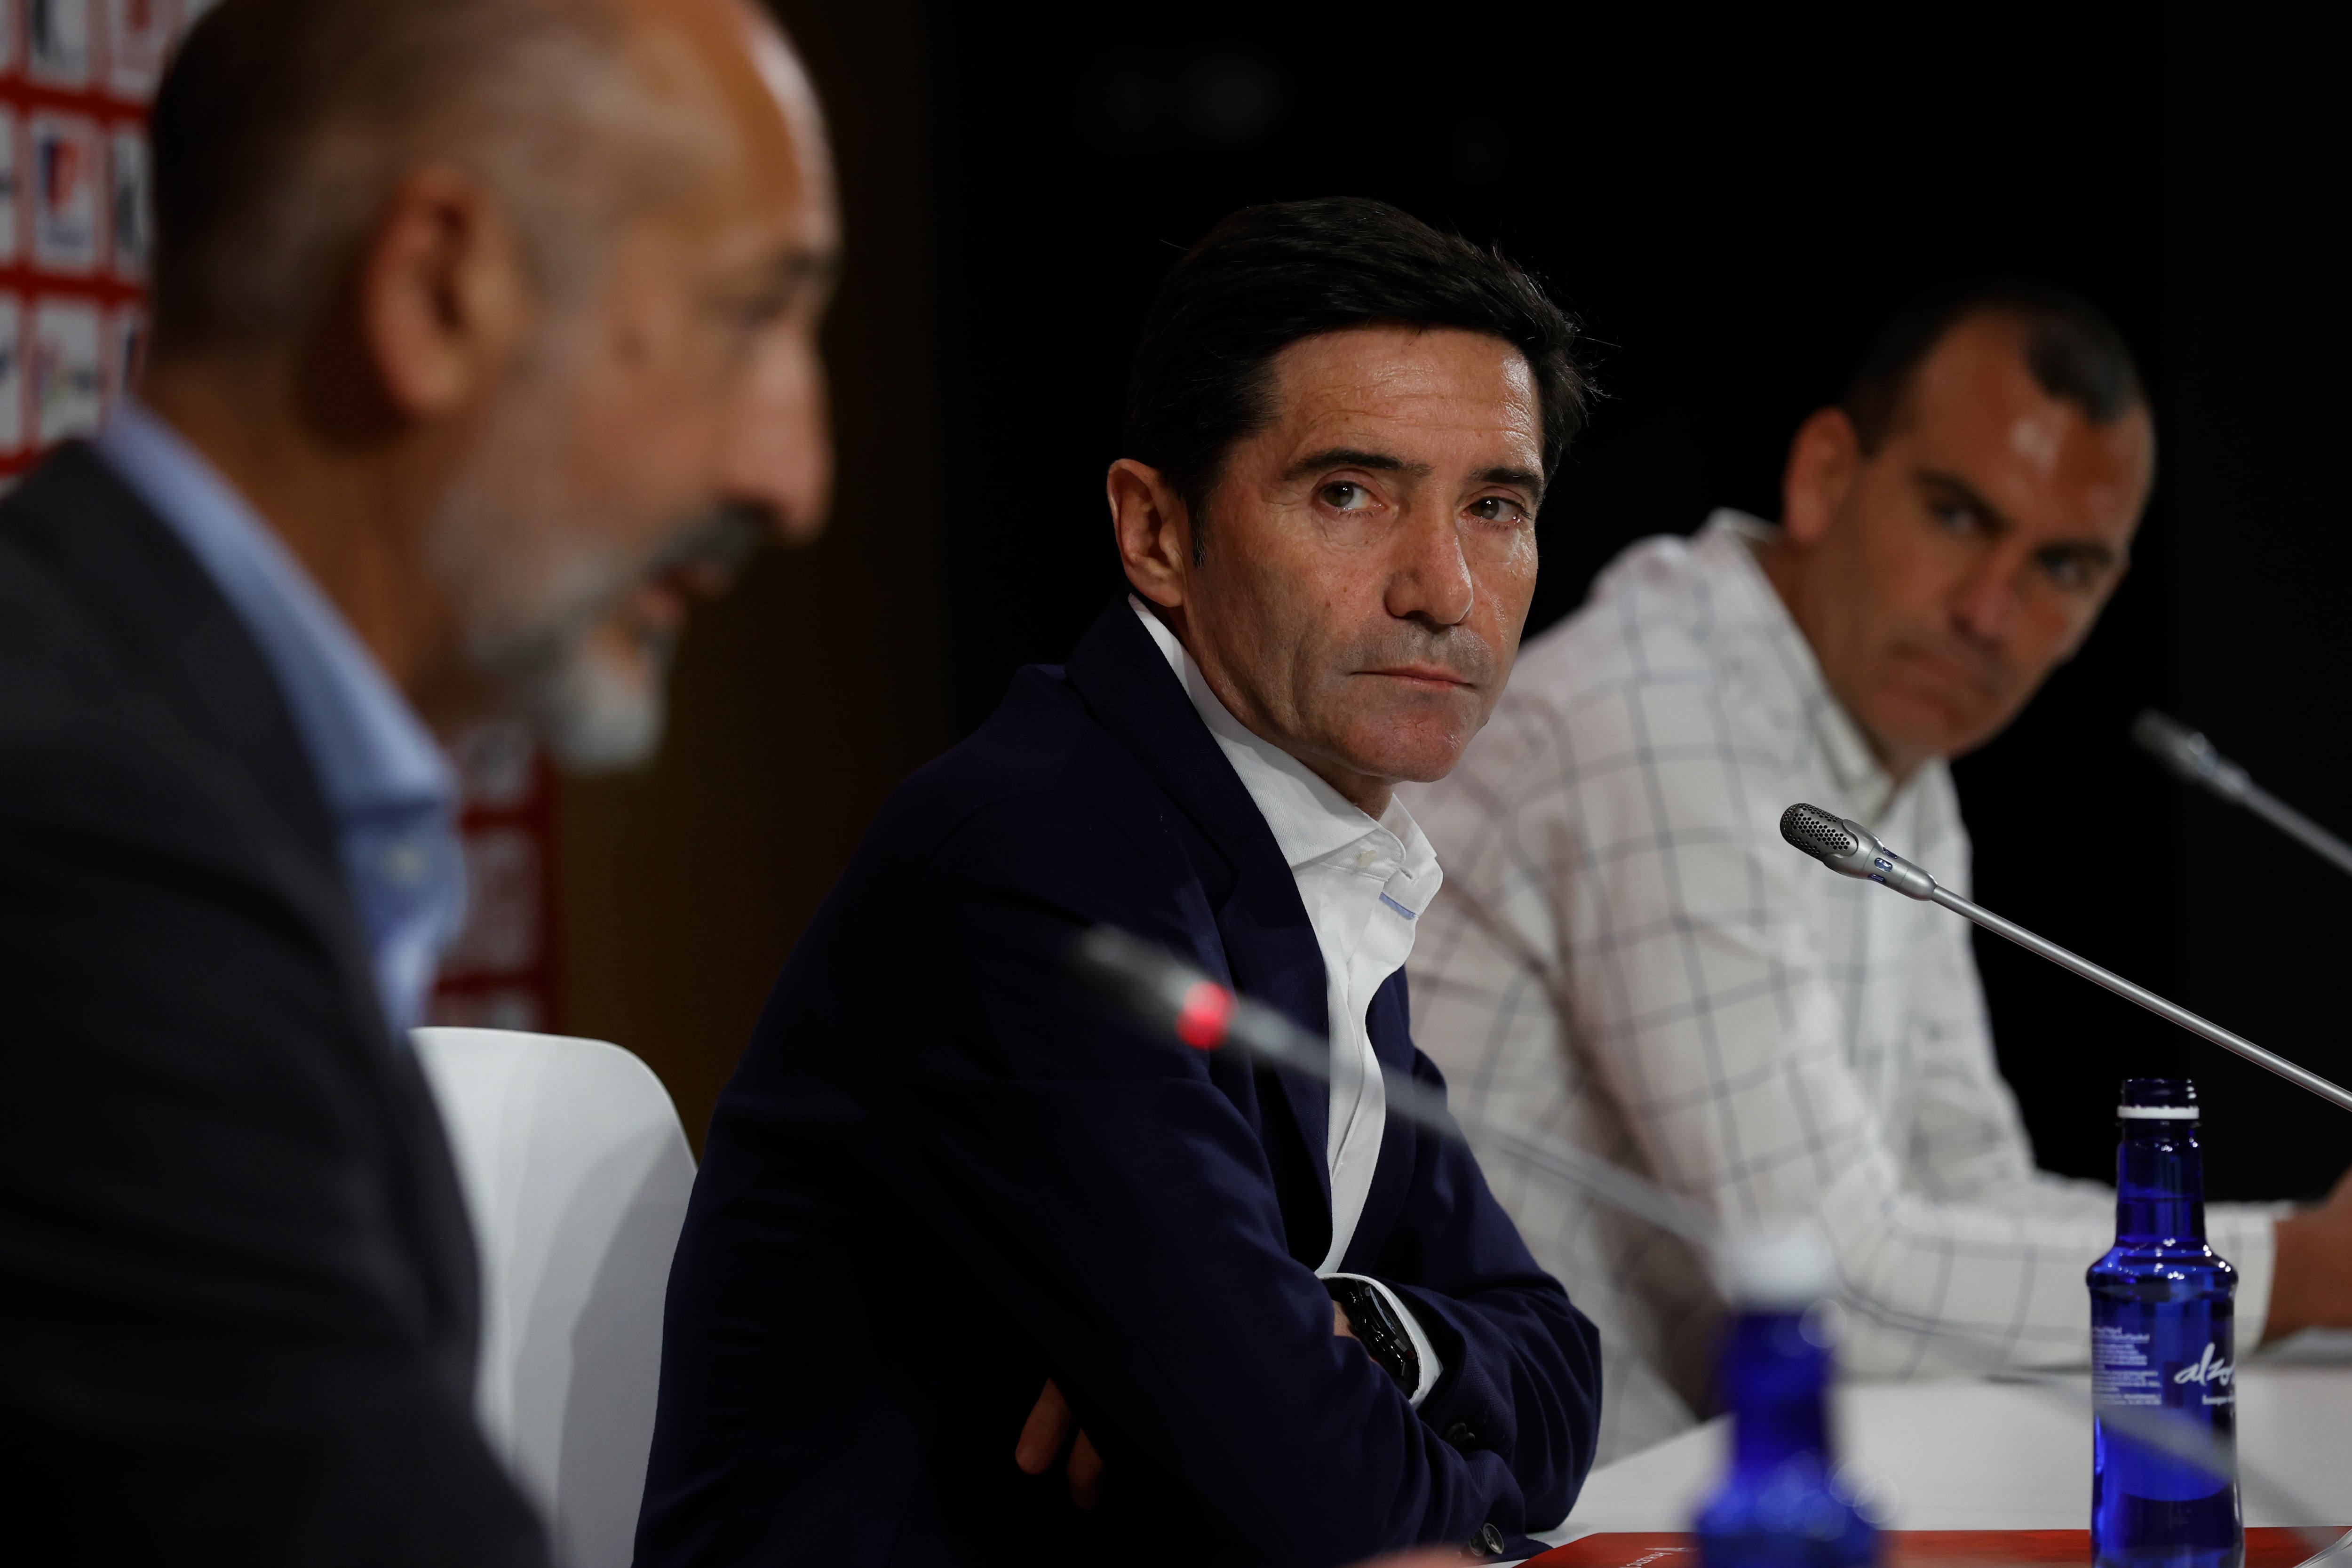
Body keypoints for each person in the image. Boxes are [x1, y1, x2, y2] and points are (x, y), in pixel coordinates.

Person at [636, 198, 1603, 1567]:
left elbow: (1561, 1376)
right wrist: (1277, 1407)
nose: (1443, 586)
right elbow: (1326, 1513)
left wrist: (1365, 1331)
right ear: (1156, 530)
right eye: (1348, 493)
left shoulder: (1301, 844)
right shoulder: (1038, 866)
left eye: (1495, 506)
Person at [0, 0, 838, 1559]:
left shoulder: (174, 746)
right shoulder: (83, 832)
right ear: (437, 290)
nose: (793, 476)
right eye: (748, 318)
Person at [1405, 280, 2352, 1463]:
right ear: (1825, 475)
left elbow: (1967, 1191)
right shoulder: (1658, 714)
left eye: (2063, 565)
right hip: (1503, 1501)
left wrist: (2304, 1255)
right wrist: (2300, 1270)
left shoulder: (1891, 751)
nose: (1990, 612)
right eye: (1956, 515)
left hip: (1686, 1473)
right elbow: (1832, 1288)